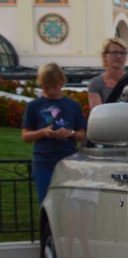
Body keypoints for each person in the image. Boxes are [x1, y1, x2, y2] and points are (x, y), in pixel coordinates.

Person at [22, 62, 87, 203]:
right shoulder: (34, 106)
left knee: (69, 202)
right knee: (46, 201)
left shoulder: (73, 106)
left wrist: (71, 133)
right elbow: (25, 135)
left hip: (68, 160)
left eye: (55, 86)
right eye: (47, 88)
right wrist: (43, 133)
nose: (51, 91)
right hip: (44, 161)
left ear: (62, 83)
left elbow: (83, 134)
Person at [87, 37, 128, 115]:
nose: (119, 56)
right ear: (104, 56)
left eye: (122, 53)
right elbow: (97, 115)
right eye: (114, 52)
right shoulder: (96, 83)